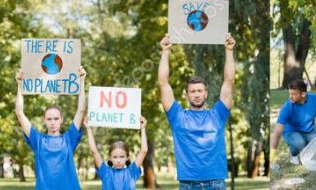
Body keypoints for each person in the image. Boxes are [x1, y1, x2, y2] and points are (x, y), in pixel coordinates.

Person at [157, 33, 236, 189]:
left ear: (206, 93)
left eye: (200, 91)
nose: (197, 94)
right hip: (188, 184)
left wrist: (229, 51)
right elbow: (163, 83)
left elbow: (229, 82)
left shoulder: (218, 114)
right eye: (193, 91)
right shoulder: (177, 116)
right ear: (186, 95)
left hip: (216, 183)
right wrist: (165, 52)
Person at [14, 68, 87, 190]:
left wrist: (82, 82)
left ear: (61, 119)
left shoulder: (69, 138)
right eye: (49, 119)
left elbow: (81, 110)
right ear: (44, 120)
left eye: (56, 118)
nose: (53, 122)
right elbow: (19, 113)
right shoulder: (37, 140)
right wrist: (20, 85)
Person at [270, 80, 316, 166]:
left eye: (294, 94)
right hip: (291, 133)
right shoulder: (288, 107)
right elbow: (277, 133)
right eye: (290, 94)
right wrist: (271, 157)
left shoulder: (315, 99)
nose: (290, 97)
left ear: (303, 94)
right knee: (300, 142)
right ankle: (294, 154)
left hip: (310, 133)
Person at [84, 116, 147, 190]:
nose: (119, 160)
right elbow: (94, 151)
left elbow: (144, 150)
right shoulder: (105, 172)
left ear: (127, 157)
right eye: (115, 157)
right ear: (110, 158)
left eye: (122, 156)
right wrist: (88, 128)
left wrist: (143, 128)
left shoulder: (132, 171)